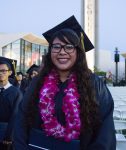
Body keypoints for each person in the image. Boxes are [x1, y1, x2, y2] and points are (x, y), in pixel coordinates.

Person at [13, 15, 116, 150]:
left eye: (69, 47)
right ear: (50, 52)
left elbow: (104, 132)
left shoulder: (94, 84)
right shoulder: (37, 83)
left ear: (78, 52)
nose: (62, 52)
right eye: (56, 46)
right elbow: (22, 120)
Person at [0, 57, 22, 149]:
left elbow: (15, 116)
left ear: (10, 72)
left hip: (5, 133)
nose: (0, 73)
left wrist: (9, 136)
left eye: (3, 70)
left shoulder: (16, 93)